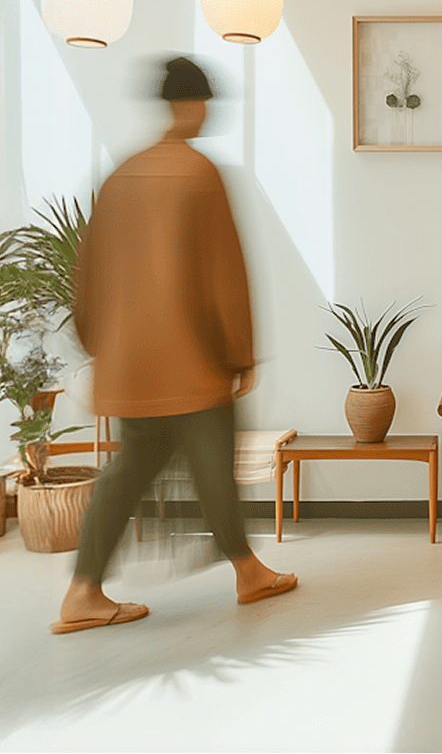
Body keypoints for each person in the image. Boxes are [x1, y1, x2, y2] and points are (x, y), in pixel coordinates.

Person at [53, 56, 296, 635]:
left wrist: (99, 345)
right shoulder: (198, 173)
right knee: (215, 463)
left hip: (131, 363)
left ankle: (84, 591)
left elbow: (87, 273)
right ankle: (247, 571)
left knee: (131, 467)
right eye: (207, 102)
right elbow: (224, 274)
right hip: (191, 360)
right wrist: (240, 354)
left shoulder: (121, 176)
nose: (209, 113)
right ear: (190, 104)